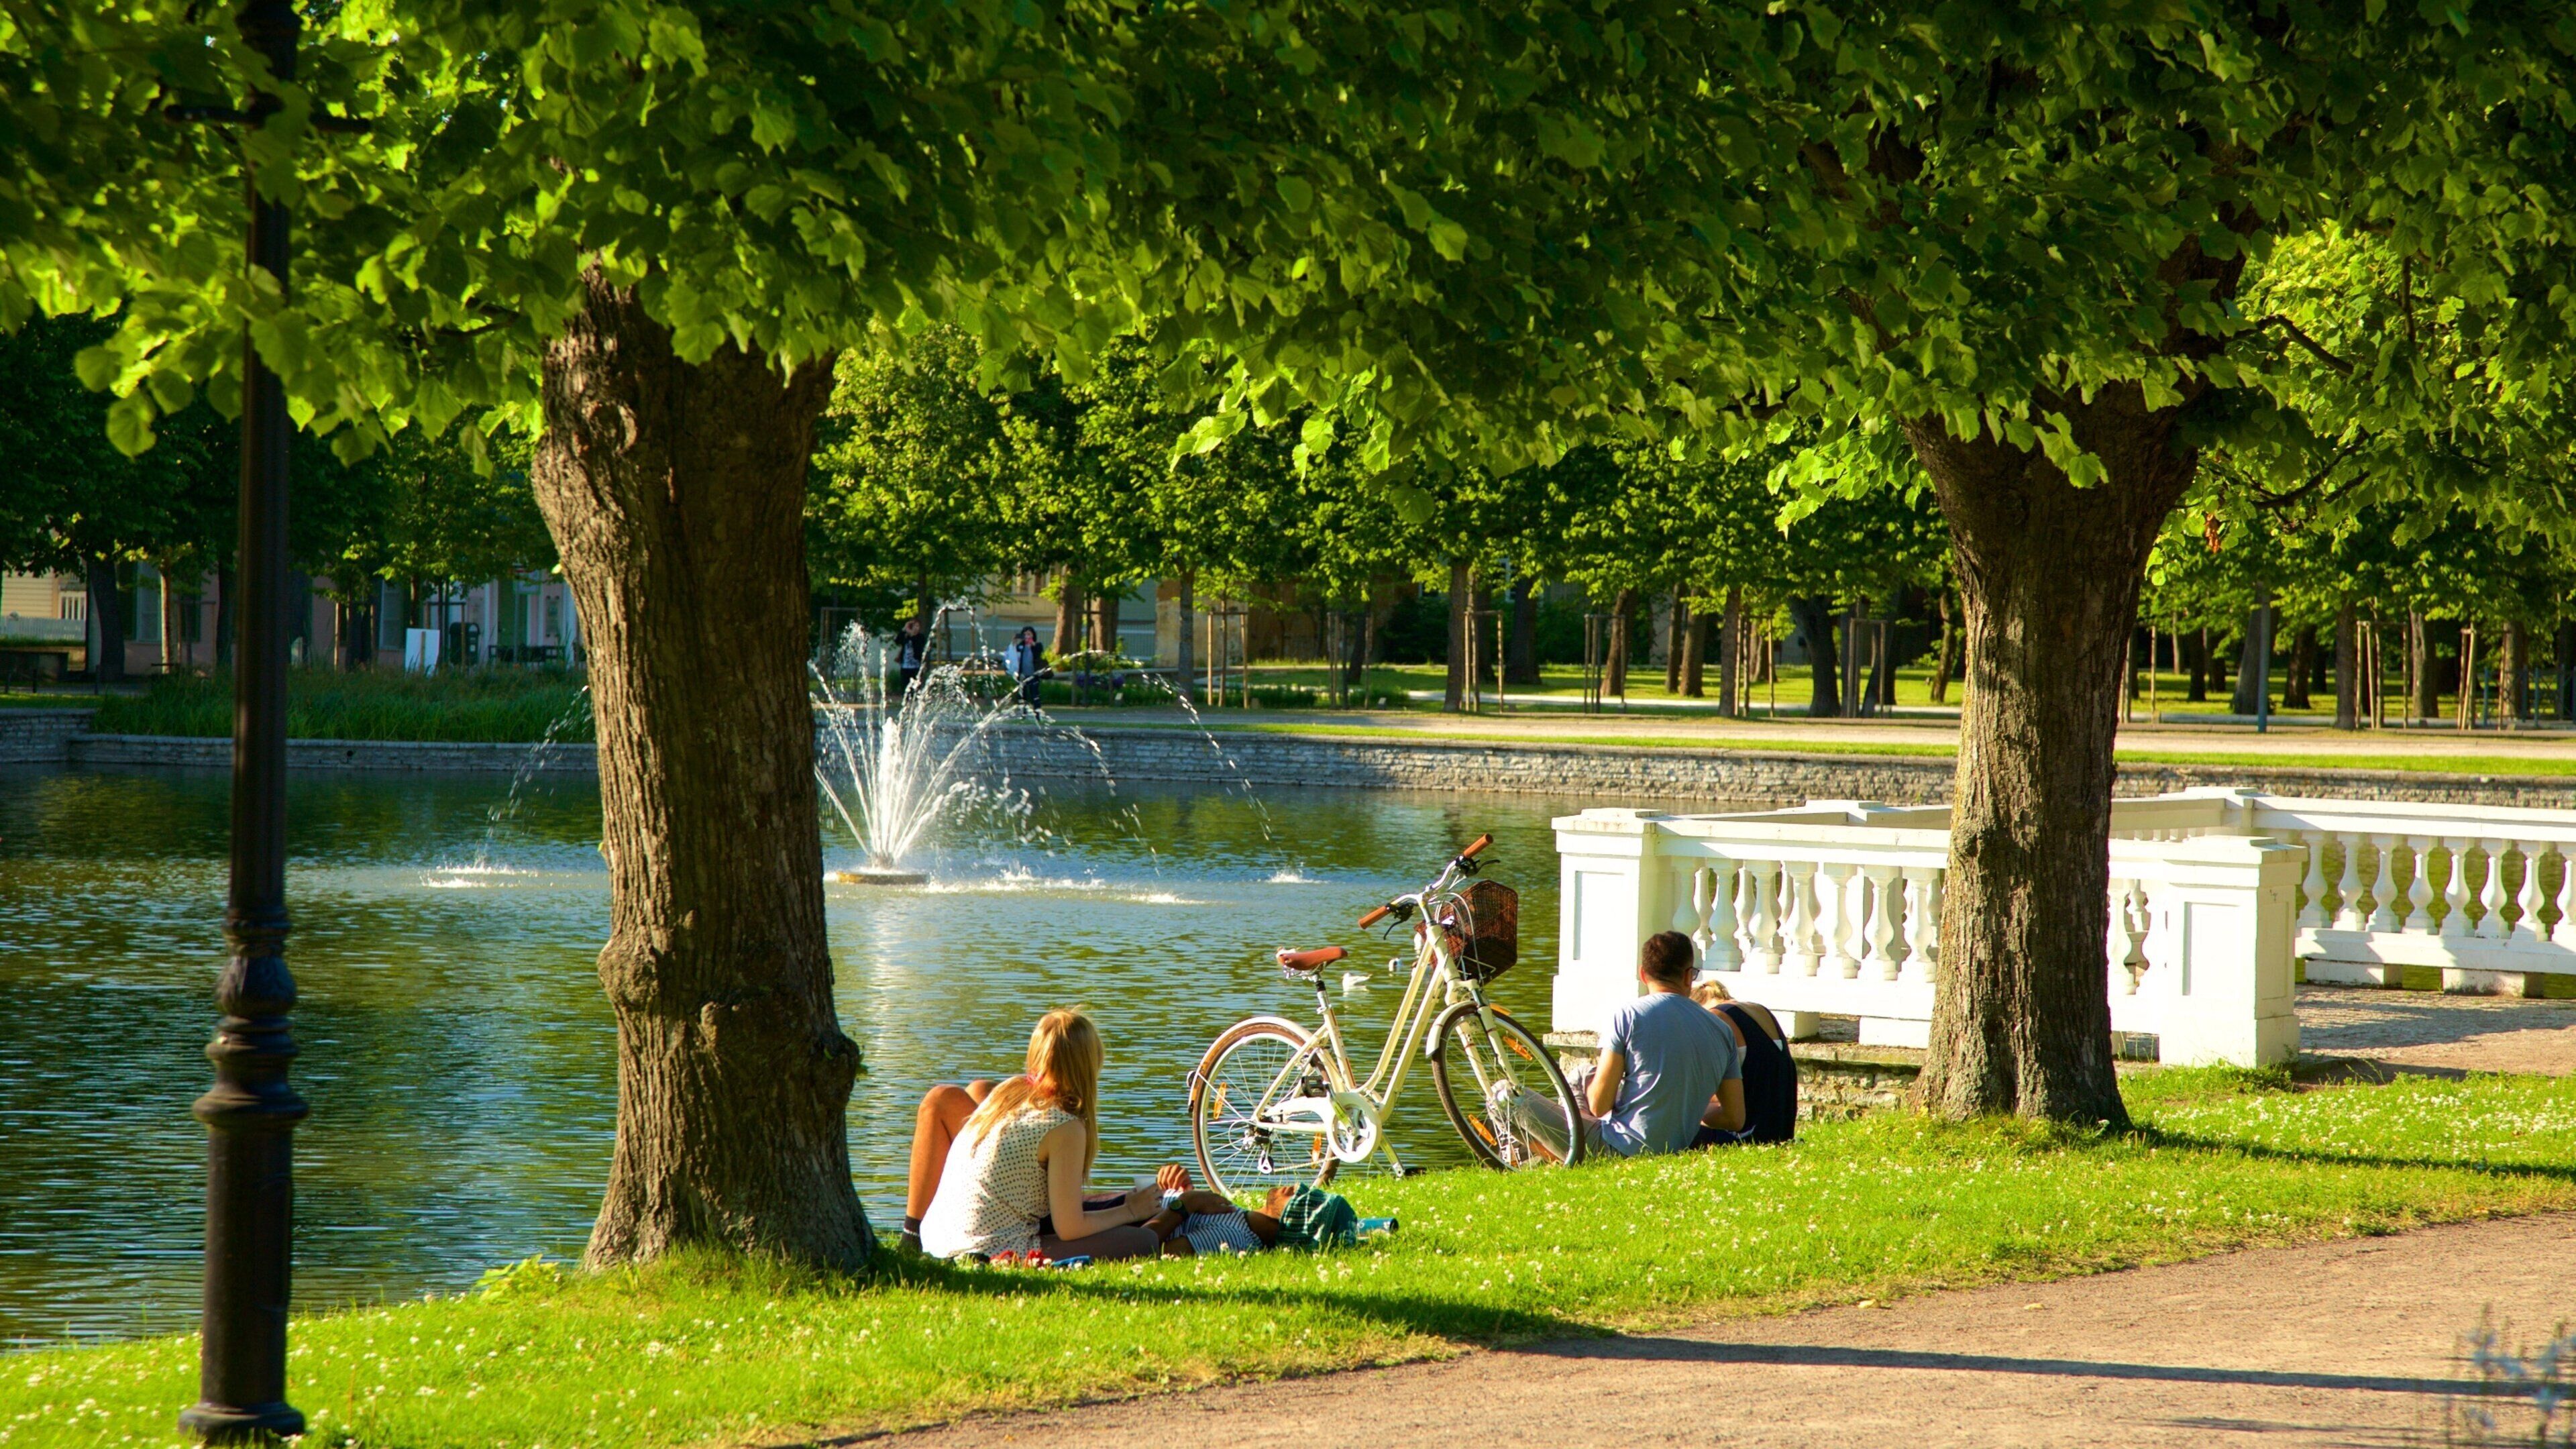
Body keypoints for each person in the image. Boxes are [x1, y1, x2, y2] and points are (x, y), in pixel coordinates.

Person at [904, 1009, 1173, 1262]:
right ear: (1089, 1066)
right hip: (987, 1251)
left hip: (935, 1240)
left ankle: (908, 1239)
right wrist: (1131, 1211)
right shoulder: (1065, 1127)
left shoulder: (1007, 1093)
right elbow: (1069, 1227)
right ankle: (1183, 1220)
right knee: (1143, 1241)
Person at [1523, 930, 1743, 1161]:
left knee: (1503, 1096)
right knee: (1587, 1074)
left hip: (1618, 1149)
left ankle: (1563, 1157)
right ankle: (1566, 1155)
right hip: (1672, 1150)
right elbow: (1735, 1117)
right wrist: (1686, 1109)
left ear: (1643, 975)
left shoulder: (1629, 1016)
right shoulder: (1721, 1030)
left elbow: (1599, 1105)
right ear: (1689, 976)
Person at [1692, 980, 1799, 1144]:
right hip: (1782, 1132)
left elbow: (1729, 1114)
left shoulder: (1715, 1019)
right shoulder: (1758, 1010)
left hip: (1749, 1136)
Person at [1004, 625, 1048, 707]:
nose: (1027, 636)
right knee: (1022, 695)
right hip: (1022, 675)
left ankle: (1037, 711)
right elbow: (1013, 655)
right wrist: (1014, 641)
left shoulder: (1037, 645)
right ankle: (1024, 712)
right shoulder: (1020, 646)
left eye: (1029, 634)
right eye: (1025, 634)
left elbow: (1039, 651)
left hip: (1034, 674)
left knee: (1035, 694)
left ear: (1033, 635)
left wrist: (1032, 643)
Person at [894, 615, 928, 695]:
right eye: (914, 626)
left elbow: (918, 646)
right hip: (905, 666)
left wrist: (912, 635)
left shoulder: (920, 637)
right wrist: (904, 629)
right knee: (905, 687)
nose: (916, 628)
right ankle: (906, 702)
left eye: (918, 626)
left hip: (916, 666)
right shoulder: (906, 637)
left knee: (916, 687)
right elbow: (897, 641)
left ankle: (915, 701)